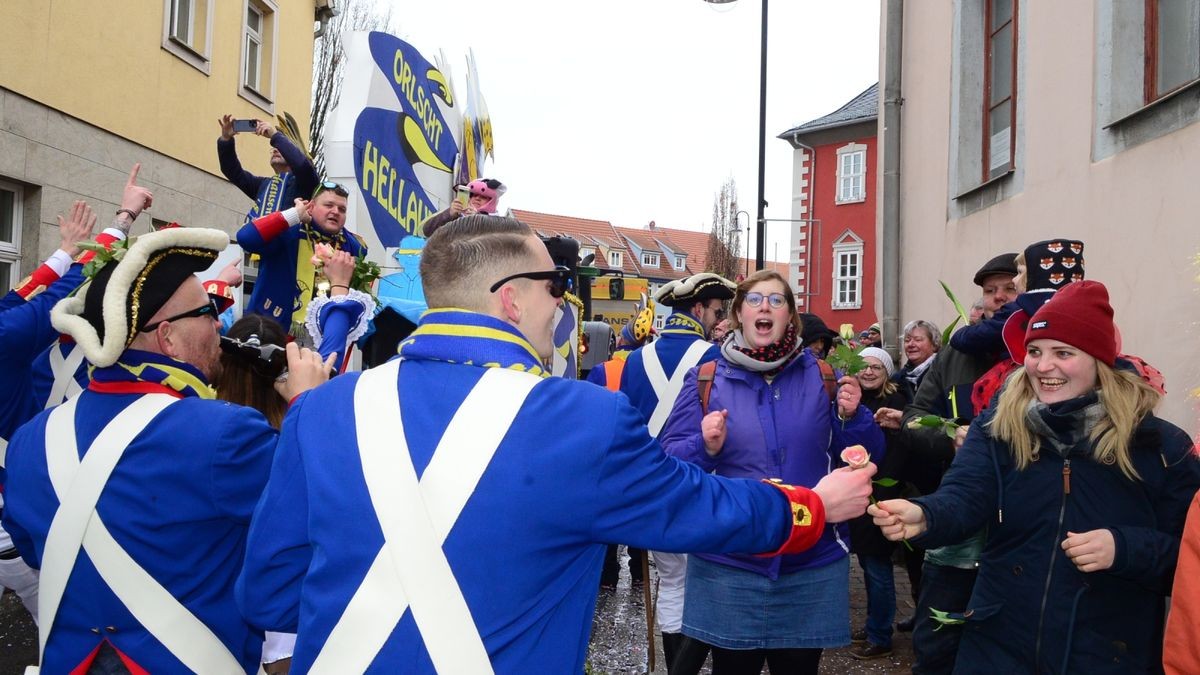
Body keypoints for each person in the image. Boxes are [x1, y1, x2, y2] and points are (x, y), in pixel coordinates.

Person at [236, 216, 878, 673]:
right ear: (511, 300)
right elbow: (702, 510)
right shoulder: (581, 420)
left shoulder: (320, 413)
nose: (561, 304)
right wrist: (811, 506)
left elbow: (267, 593)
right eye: (556, 286)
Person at [1, 226, 327, 673]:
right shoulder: (226, 434)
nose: (218, 324)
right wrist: (309, 407)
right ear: (168, 337)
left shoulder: (30, 439)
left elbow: (38, 552)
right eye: (208, 311)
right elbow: (313, 523)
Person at [870, 280, 1200, 673]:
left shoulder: (1161, 447)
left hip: (1107, 651)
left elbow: (1186, 563)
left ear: (1099, 361)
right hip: (999, 644)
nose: (1044, 367)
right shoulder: (999, 427)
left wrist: (1124, 548)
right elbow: (966, 495)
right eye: (1034, 351)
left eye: (1063, 353)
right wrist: (925, 515)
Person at [658, 269, 885, 675]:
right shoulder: (707, 378)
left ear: (790, 317)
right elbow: (670, 464)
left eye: (777, 300)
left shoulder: (822, 376)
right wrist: (705, 446)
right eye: (755, 299)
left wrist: (854, 418)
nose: (765, 306)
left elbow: (868, 456)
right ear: (739, 314)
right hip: (732, 561)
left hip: (810, 562)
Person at [873, 251, 1018, 675]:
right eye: (991, 292)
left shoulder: (1040, 355)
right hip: (954, 521)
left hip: (1017, 525)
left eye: (1009, 288)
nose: (999, 298)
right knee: (938, 643)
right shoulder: (956, 356)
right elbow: (916, 418)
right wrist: (951, 436)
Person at [619, 271, 734, 673]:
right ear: (699, 309)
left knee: (672, 583)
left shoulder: (635, 360)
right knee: (711, 586)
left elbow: (626, 427)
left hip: (651, 489)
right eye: (717, 311)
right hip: (701, 486)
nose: (720, 320)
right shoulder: (716, 358)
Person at [847, 347, 910, 661]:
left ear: (887, 373)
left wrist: (883, 491)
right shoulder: (856, 401)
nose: (868, 372)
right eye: (864, 367)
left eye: (876, 368)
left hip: (880, 494)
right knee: (870, 564)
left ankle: (881, 635)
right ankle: (875, 624)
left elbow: (897, 453)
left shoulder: (895, 403)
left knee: (877, 565)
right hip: (859, 492)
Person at [586, 302, 654, 590]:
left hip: (609, 452)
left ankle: (608, 576)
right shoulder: (648, 369)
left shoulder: (602, 370)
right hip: (640, 450)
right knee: (639, 512)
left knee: (611, 514)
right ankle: (639, 574)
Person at [236, 185, 366, 334]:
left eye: (342, 209)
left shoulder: (349, 246)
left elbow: (361, 259)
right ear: (310, 207)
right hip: (270, 331)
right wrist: (294, 214)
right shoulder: (288, 231)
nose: (335, 211)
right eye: (328, 205)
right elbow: (245, 238)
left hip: (319, 337)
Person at [217, 115, 319, 229]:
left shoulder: (307, 181)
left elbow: (302, 166)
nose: (275, 149)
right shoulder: (263, 184)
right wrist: (226, 140)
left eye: (280, 147)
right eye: (274, 148)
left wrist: (274, 136)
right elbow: (232, 171)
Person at [419, 177, 507, 238]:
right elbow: (426, 231)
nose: (477, 198)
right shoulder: (455, 214)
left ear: (492, 201)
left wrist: (478, 220)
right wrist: (449, 214)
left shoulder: (498, 223)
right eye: (474, 195)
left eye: (484, 197)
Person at [892, 319, 941, 401]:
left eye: (918, 340)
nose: (911, 344)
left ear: (934, 345)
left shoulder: (942, 373)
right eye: (907, 340)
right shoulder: (898, 379)